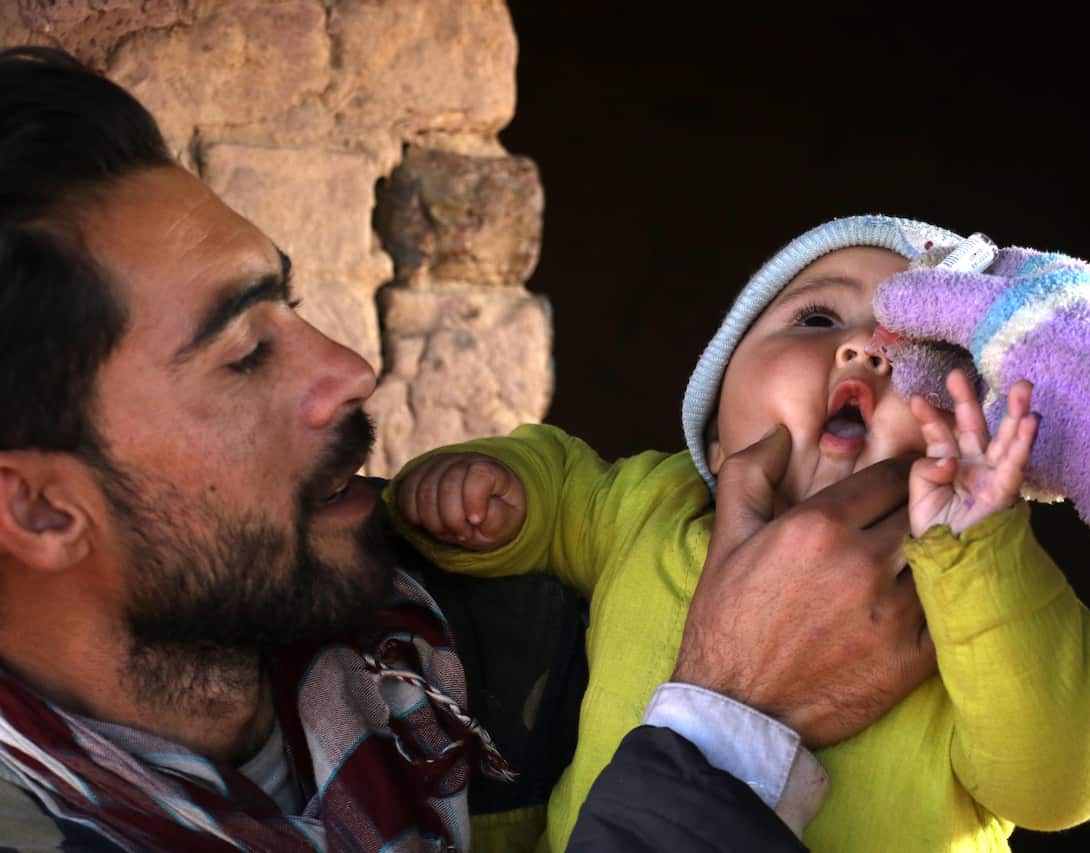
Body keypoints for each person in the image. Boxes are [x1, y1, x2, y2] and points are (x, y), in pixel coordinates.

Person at [0, 46, 941, 853]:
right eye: (245, 354)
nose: (350, 368)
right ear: (41, 508)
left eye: (291, 310)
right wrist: (728, 725)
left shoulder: (508, 638)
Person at [390, 215, 1090, 852]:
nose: (868, 350)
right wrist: (495, 483)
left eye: (924, 353)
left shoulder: (961, 600)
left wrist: (981, 552)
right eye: (818, 318)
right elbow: (562, 485)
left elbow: (1070, 777)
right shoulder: (654, 507)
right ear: (715, 432)